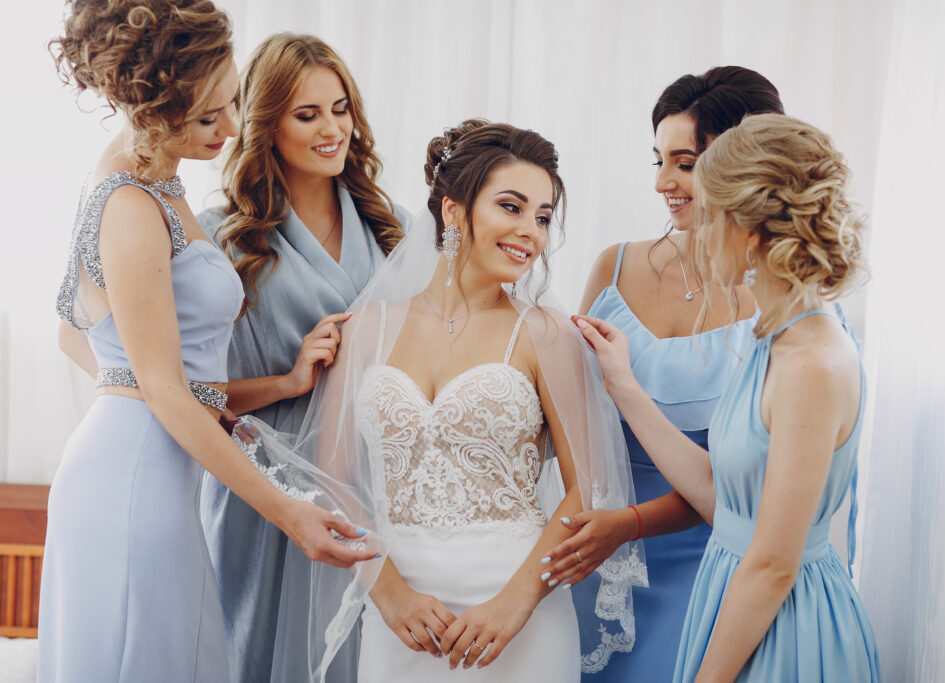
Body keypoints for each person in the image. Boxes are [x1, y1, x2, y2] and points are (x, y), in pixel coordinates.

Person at [239, 119, 645, 682]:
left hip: (519, 614)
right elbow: (334, 481)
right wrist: (388, 592)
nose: (531, 230)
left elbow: (586, 488)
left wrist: (517, 603)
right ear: (454, 211)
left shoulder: (546, 332)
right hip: (401, 615)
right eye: (512, 206)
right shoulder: (366, 329)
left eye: (544, 216)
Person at [40, 4, 376, 681]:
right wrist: (290, 513)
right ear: (151, 106)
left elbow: (111, 353)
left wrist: (281, 385)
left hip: (159, 468)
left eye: (230, 104)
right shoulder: (130, 202)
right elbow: (161, 387)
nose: (230, 128)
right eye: (206, 118)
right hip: (133, 476)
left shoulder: (159, 181)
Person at [574, 113, 879, 681]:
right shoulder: (774, 337)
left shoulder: (810, 362)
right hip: (735, 600)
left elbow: (771, 564)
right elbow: (722, 495)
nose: (696, 234)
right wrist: (623, 384)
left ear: (750, 231)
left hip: (782, 626)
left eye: (709, 215)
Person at [541, 66, 781, 678]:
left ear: (744, 165)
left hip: (710, 562)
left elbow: (754, 488)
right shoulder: (612, 267)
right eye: (658, 162)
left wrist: (629, 525)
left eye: (684, 163)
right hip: (594, 556)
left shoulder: (776, 301)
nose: (663, 184)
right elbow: (566, 417)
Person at [197, 33, 409, 682]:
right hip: (265, 486)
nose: (332, 129)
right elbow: (183, 394)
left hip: (374, 481)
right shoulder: (220, 238)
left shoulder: (394, 229)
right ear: (266, 124)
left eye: (340, 108)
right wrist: (289, 378)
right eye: (307, 113)